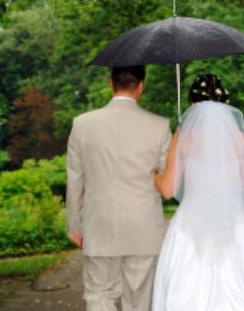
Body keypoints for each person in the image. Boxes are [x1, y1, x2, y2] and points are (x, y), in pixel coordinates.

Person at [152, 74, 244, 311]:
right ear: (225, 105)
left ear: (192, 104)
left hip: (191, 225)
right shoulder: (240, 139)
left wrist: (156, 177)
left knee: (188, 289)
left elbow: (168, 189)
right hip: (234, 223)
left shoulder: (184, 136)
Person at [66, 66, 172, 311]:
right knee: (139, 300)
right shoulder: (159, 125)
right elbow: (166, 180)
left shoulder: (82, 124)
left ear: (110, 83)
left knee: (99, 294)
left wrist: (75, 226)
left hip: (99, 224)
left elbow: (75, 179)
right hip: (143, 227)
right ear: (141, 86)